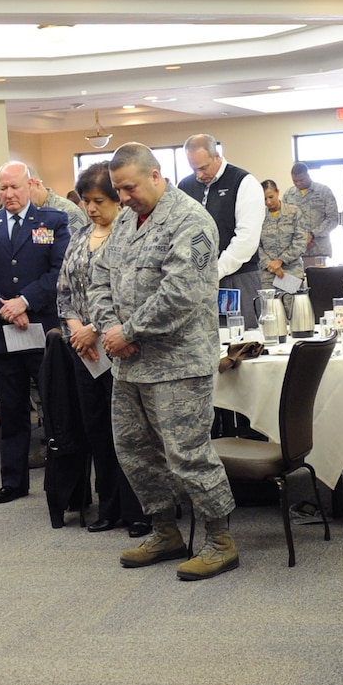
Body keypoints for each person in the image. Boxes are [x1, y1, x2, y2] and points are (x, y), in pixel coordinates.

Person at [89, 142, 240, 580]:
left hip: (178, 362)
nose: (124, 196)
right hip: (129, 363)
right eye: (118, 190)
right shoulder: (125, 223)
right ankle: (165, 530)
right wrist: (111, 329)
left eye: (129, 187)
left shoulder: (191, 221)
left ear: (156, 176)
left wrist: (128, 331)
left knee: (187, 454)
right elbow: (99, 279)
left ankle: (220, 540)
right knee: (134, 452)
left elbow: (181, 293)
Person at [0, 162, 69, 503]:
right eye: (3, 189)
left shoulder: (53, 221)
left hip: (42, 329)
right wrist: (5, 308)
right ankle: (13, 481)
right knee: (12, 410)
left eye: (14, 187)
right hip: (4, 331)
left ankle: (65, 480)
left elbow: (58, 272)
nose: (9, 195)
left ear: (29, 185)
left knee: (54, 408)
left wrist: (25, 302)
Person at [59, 161, 149, 535]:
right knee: (97, 431)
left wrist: (96, 327)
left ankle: (139, 510)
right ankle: (108, 507)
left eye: (99, 200)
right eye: (85, 201)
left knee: (128, 433)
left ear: (118, 200)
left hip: (117, 345)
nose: (91, 208)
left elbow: (130, 294)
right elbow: (63, 291)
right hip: (84, 351)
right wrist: (77, 328)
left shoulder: (129, 236)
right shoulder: (80, 236)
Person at [178, 133, 266, 327]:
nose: (199, 175)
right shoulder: (185, 186)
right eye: (194, 169)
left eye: (203, 167)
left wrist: (216, 271)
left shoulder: (243, 181)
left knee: (242, 345)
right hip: (198, 282)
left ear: (217, 156)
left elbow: (246, 239)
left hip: (238, 277)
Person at [258, 179, 308, 290]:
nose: (268, 202)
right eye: (264, 199)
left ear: (277, 192)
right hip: (268, 275)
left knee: (290, 305)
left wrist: (280, 261)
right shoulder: (259, 216)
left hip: (289, 272)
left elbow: (300, 242)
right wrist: (270, 264)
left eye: (271, 197)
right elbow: (256, 245)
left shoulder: (293, 212)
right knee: (270, 307)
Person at [286, 161, 340, 257]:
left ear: (308, 175)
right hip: (296, 252)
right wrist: (301, 240)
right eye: (295, 181)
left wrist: (312, 235)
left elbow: (333, 219)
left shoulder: (324, 191)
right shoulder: (289, 194)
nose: (298, 183)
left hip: (320, 249)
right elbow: (285, 221)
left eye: (301, 180)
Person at [32, 174, 90, 239]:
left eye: (20, 188)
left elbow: (76, 245)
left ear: (37, 184)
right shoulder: (31, 214)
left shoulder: (69, 211)